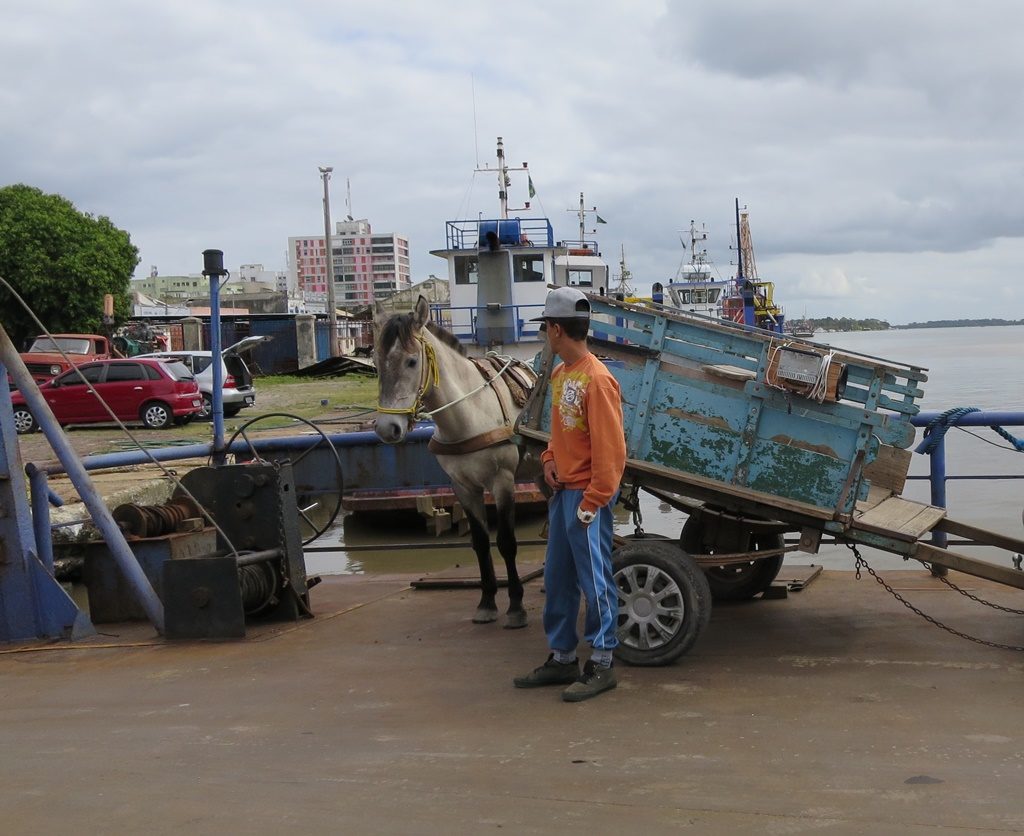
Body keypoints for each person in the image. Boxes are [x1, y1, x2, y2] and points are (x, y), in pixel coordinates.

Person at [514, 286, 627, 702]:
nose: (545, 334)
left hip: (586, 498)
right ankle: (562, 657)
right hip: (563, 494)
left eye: (546, 327)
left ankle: (601, 662)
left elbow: (612, 452)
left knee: (594, 578)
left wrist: (593, 501)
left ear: (556, 329)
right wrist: (547, 459)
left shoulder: (598, 380)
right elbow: (558, 433)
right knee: (558, 577)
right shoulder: (563, 374)